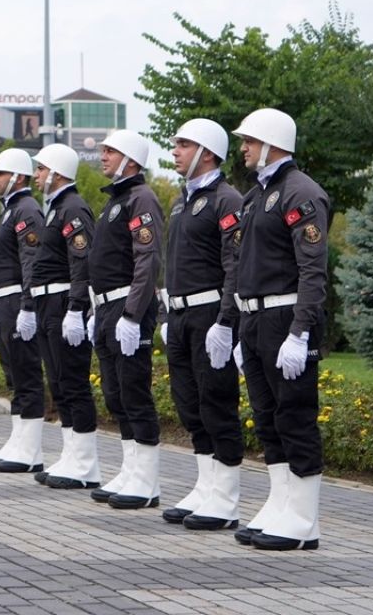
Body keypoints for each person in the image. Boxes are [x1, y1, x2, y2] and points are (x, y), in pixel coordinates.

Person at [231, 108, 329, 551]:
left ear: (272, 143)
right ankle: (281, 504)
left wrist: (300, 331)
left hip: (286, 318)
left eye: (250, 140)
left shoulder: (300, 193)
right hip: (254, 320)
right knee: (268, 418)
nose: (244, 148)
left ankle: (305, 519)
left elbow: (313, 271)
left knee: (295, 415)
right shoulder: (256, 196)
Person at [160, 119, 246, 531]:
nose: (175, 151)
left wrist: (227, 321)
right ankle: (205, 486)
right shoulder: (181, 201)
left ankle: (226, 498)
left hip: (211, 313)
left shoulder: (226, 200)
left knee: (217, 403)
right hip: (180, 314)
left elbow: (234, 266)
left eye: (184, 145)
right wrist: (166, 314)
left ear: (207, 152)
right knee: (189, 404)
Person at [86, 129, 164, 509]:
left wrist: (132, 314)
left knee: (134, 391)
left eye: (110, 151)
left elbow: (146, 260)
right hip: (106, 308)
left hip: (127, 307)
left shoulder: (141, 198)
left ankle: (146, 480)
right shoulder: (117, 200)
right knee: (116, 394)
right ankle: (131, 469)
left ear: (131, 160)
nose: (103, 156)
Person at [34, 145, 102, 490]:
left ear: (57, 172)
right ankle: (71, 454)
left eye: (41, 169)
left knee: (73, 383)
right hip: (48, 302)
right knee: (59, 384)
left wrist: (76, 309)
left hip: (64, 302)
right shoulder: (55, 208)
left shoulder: (73, 208)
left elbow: (81, 263)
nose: (36, 176)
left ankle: (86, 463)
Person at [0, 150, 47, 473]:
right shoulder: (12, 210)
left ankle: (31, 448)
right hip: (3, 301)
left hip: (15, 301)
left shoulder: (26, 210)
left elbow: (31, 262)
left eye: (0, 174)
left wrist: (27, 306)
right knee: (14, 375)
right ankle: (19, 440)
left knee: (26, 373)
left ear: (17, 177)